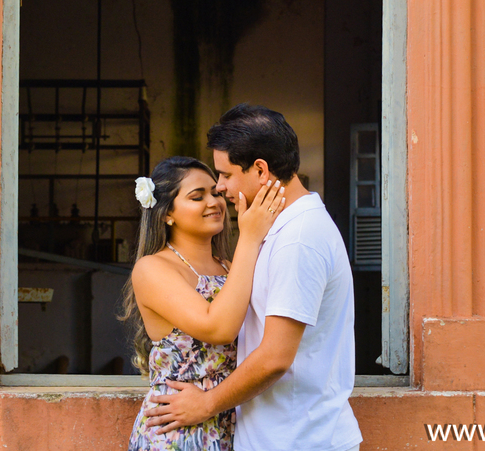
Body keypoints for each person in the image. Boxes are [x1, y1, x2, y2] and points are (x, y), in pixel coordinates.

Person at [145, 105, 363, 451]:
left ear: (260, 170)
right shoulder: (276, 232)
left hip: (299, 439)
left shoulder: (299, 238)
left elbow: (275, 356)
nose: (221, 188)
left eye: (226, 175)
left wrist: (207, 402)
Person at [123, 155, 286, 451]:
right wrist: (249, 237)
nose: (214, 202)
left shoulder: (228, 266)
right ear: (165, 214)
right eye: (197, 197)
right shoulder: (152, 268)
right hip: (178, 429)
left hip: (233, 422)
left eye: (215, 192)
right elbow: (218, 328)